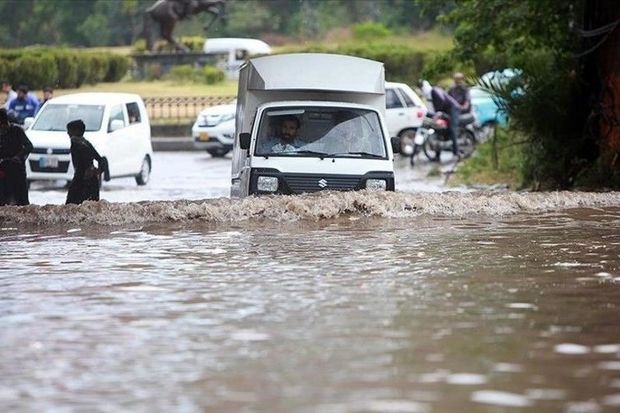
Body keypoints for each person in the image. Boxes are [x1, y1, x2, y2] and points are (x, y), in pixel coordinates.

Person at [65, 119, 108, 205]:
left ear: (76, 131)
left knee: (72, 207)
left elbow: (91, 160)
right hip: (89, 181)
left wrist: (91, 171)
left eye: (69, 130)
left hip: (82, 181)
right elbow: (99, 158)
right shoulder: (85, 143)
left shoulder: (78, 144)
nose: (68, 133)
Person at [421, 80, 461, 161]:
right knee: (439, 130)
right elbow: (430, 108)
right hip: (443, 111)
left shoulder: (434, 91)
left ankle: (456, 153)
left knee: (452, 129)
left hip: (452, 108)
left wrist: (437, 114)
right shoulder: (428, 95)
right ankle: (437, 155)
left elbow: (441, 101)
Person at [0, 108, 32, 206]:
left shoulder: (17, 130)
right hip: (3, 171)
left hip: (17, 170)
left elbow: (29, 146)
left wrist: (18, 157)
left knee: (22, 201)